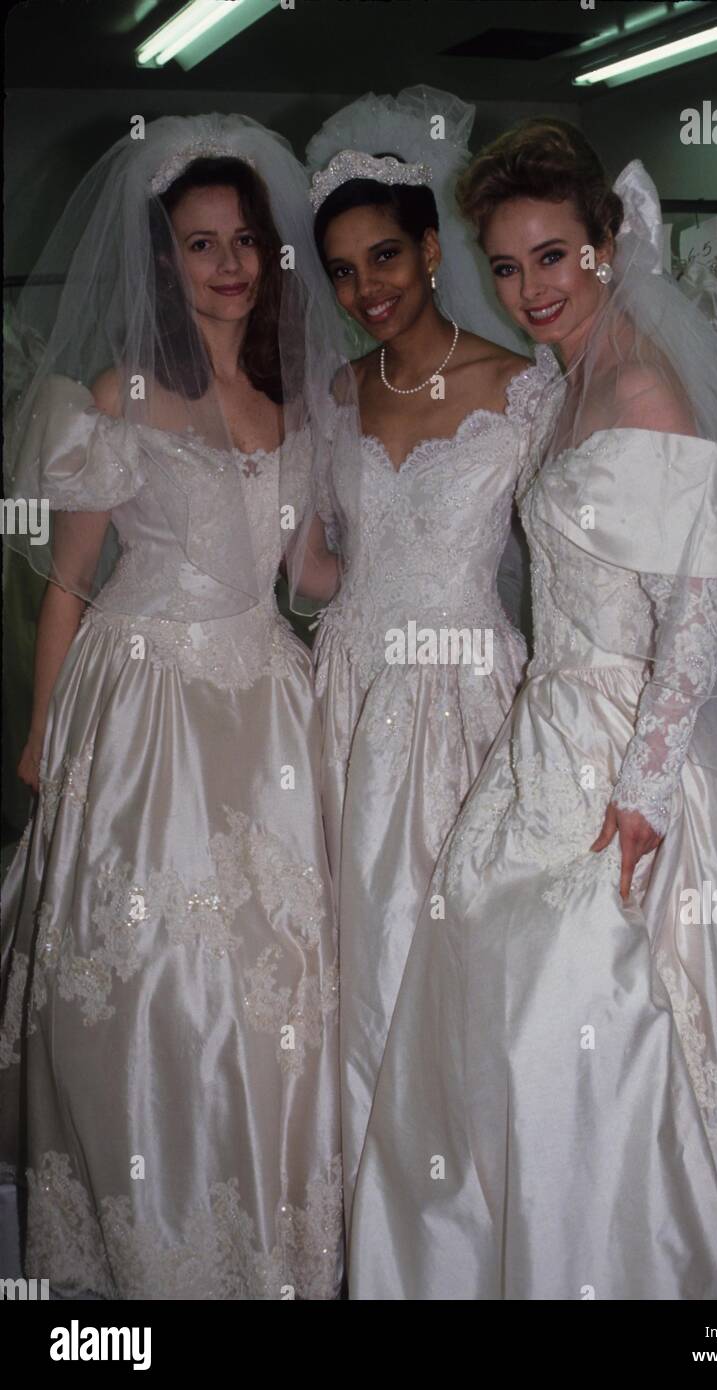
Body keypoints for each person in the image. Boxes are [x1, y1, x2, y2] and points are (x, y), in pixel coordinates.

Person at [348, 120, 717, 1300]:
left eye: (552, 256)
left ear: (605, 244)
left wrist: (640, 793)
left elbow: (696, 615)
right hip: (544, 729)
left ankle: (599, 1250)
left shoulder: (641, 386)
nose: (530, 287)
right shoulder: (564, 378)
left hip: (626, 751)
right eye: (506, 264)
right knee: (479, 975)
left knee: (567, 995)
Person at [0, 113, 345, 1299]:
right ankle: (144, 1251)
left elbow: (302, 576)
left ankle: (260, 1242)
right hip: (144, 706)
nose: (230, 264)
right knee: (147, 972)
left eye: (244, 239)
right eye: (201, 245)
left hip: (266, 709)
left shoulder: (299, 398)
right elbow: (69, 582)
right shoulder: (120, 392)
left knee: (277, 978)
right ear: (165, 260)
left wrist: (413, 571)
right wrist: (44, 731)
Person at [304, 87, 558, 1227]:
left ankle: (459, 1218)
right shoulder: (334, 392)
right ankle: (364, 1211)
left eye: (386, 256)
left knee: (448, 962)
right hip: (345, 693)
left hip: (465, 698)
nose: (367, 291)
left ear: (433, 247)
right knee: (351, 960)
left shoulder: (522, 388)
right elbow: (310, 563)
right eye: (345, 271)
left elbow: (566, 565)